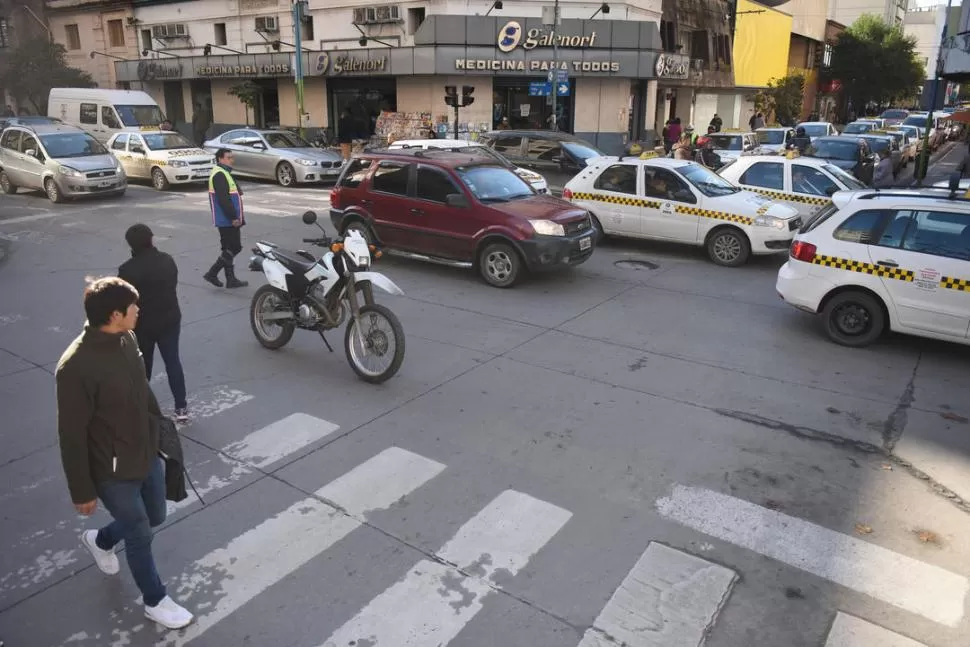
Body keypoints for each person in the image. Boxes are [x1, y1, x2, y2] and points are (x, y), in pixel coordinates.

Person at [55, 277, 193, 630]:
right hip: (111, 468)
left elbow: (141, 387)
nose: (139, 311)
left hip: (144, 450)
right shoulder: (75, 367)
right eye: (134, 307)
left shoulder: (127, 337)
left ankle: (100, 540)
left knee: (155, 515)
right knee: (139, 531)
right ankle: (155, 600)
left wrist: (161, 429)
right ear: (116, 314)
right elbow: (71, 435)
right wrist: (82, 491)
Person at [118, 224, 188, 424]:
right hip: (170, 318)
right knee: (172, 361)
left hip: (143, 324)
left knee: (143, 367)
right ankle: (181, 407)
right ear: (151, 239)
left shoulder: (127, 270)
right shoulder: (167, 260)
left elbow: (124, 301)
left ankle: (141, 409)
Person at [203, 149, 248, 289]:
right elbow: (224, 199)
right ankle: (212, 273)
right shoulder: (219, 175)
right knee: (235, 247)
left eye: (231, 157)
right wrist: (233, 217)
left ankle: (230, 279)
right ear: (220, 159)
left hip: (226, 219)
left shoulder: (223, 173)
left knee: (228, 248)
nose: (231, 160)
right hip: (226, 219)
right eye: (228, 157)